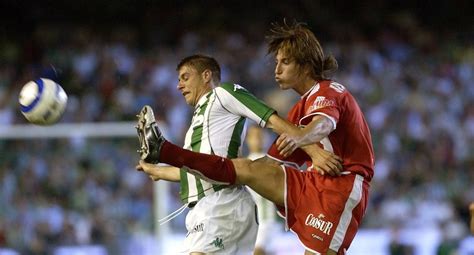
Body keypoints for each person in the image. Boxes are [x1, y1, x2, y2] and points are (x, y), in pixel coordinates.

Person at [136, 21, 373, 255]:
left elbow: (322, 124)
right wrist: (160, 170)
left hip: (341, 185)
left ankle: (165, 149)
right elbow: (270, 164)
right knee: (247, 167)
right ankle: (164, 150)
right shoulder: (298, 111)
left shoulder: (329, 91)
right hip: (311, 183)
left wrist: (303, 139)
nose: (276, 70)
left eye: (285, 62)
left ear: (305, 65)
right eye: (276, 62)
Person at [245, 125, 282, 255]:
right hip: (251, 221)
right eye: (254, 136)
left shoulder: (273, 164)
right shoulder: (244, 163)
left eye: (260, 136)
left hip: (267, 220)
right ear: (247, 139)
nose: (257, 139)